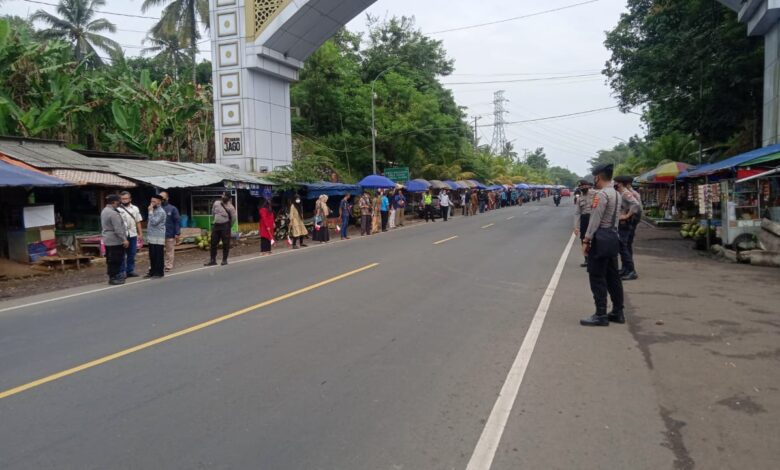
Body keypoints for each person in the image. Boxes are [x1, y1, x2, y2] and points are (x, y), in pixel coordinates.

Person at [580, 163, 625, 327]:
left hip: (601, 238)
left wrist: (586, 240)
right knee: (613, 276)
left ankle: (600, 314)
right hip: (613, 236)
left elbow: (595, 219)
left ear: (598, 176)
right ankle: (618, 311)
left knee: (597, 276)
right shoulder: (617, 193)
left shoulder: (601, 195)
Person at [614, 175, 642, 281]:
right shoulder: (621, 193)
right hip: (622, 223)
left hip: (625, 223)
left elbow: (636, 205)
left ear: (620, 183)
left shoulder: (626, 193)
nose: (614, 184)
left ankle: (631, 271)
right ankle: (626, 269)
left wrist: (627, 215)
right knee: (623, 247)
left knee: (623, 247)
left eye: (615, 182)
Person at [100, 194, 128, 285]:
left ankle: (113, 276)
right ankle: (114, 277)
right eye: (118, 201)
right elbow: (118, 229)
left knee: (110, 259)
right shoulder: (113, 213)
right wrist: (124, 239)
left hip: (108, 239)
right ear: (114, 202)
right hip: (115, 240)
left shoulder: (104, 210)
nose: (119, 203)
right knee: (116, 259)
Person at [205, 192, 237, 266]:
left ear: (228, 198)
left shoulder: (231, 207)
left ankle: (224, 260)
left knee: (225, 244)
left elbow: (233, 218)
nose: (223, 196)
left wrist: (229, 226)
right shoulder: (216, 203)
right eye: (223, 195)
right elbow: (213, 212)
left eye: (225, 195)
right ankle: (213, 260)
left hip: (225, 227)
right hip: (216, 226)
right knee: (213, 243)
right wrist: (216, 220)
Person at [117, 191, 143, 278]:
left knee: (132, 254)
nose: (124, 200)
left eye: (126, 198)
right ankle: (122, 271)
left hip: (133, 234)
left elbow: (138, 221)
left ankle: (130, 270)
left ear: (130, 199)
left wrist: (140, 233)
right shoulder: (118, 209)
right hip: (122, 235)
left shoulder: (135, 208)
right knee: (121, 254)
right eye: (122, 199)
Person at [574, 180, 594, 267]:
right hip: (584, 219)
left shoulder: (596, 194)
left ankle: (594, 259)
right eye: (581, 187)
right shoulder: (579, 198)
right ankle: (587, 259)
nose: (583, 188)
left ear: (588, 186)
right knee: (583, 239)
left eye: (584, 186)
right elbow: (577, 213)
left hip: (594, 218)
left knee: (594, 238)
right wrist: (576, 227)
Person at [145, 194, 167, 278]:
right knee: (152, 255)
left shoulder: (161, 212)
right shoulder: (153, 210)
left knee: (158, 255)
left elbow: (154, 222)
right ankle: (152, 271)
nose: (151, 203)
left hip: (158, 237)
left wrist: (150, 212)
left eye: (153, 201)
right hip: (151, 236)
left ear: (159, 202)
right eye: (151, 201)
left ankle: (159, 272)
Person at [159, 191, 180, 272]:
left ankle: (168, 265)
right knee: (158, 251)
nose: (162, 199)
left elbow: (177, 221)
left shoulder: (172, 208)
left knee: (169, 251)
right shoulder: (156, 208)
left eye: (163, 198)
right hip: (158, 235)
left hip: (169, 233)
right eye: (160, 198)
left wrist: (177, 233)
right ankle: (159, 265)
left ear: (167, 198)